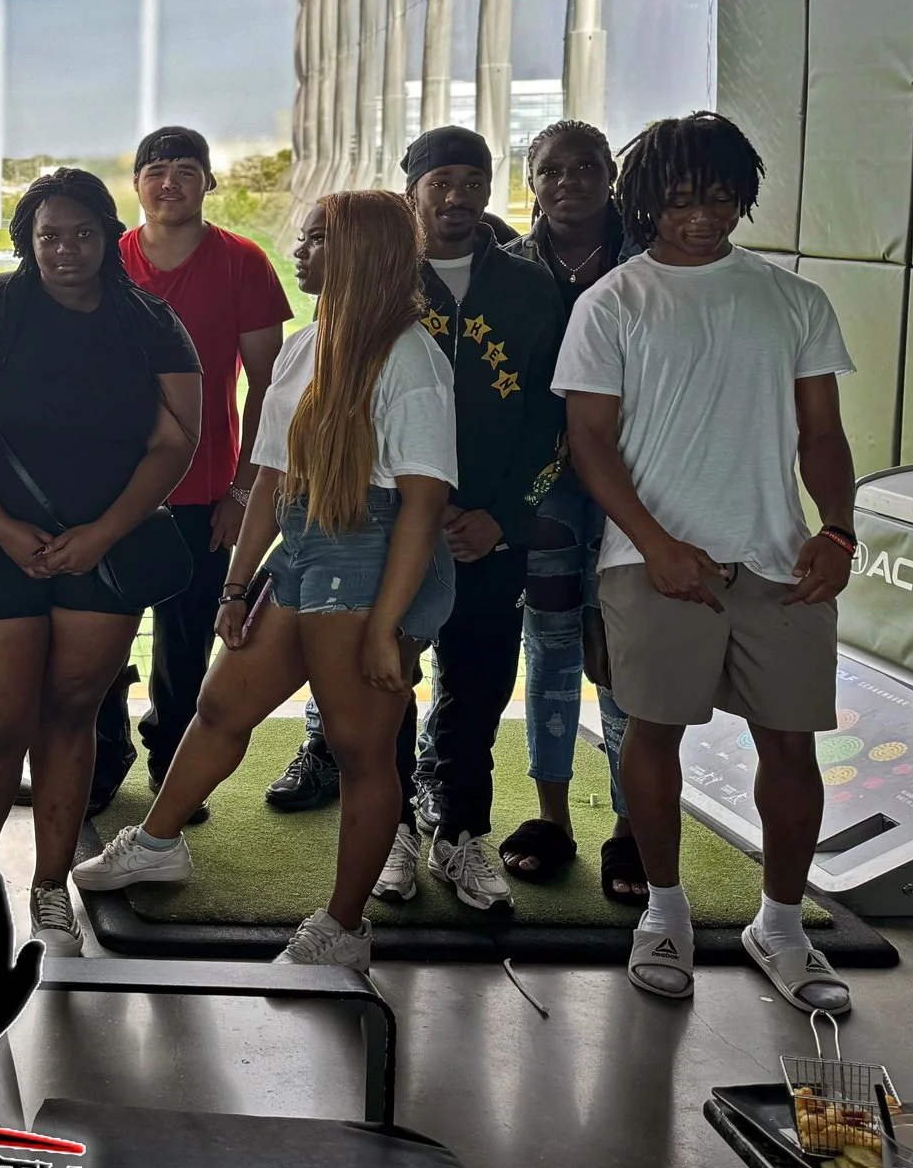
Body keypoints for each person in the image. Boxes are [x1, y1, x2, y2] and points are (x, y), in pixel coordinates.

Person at [74, 193, 456, 969]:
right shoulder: (306, 344)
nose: (299, 249)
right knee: (221, 705)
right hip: (305, 548)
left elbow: (422, 504)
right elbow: (273, 477)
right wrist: (236, 584)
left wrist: (387, 625)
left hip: (370, 555)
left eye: (316, 239)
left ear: (360, 253)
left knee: (359, 748)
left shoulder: (412, 357)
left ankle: (344, 926)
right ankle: (157, 844)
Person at [556, 113, 858, 1014]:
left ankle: (782, 923)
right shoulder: (611, 300)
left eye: (720, 197)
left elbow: (823, 432)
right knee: (651, 737)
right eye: (682, 199)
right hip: (649, 561)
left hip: (778, 560)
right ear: (646, 201)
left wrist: (837, 529)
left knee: (791, 744)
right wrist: (656, 544)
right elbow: (589, 443)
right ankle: (666, 911)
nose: (703, 216)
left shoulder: (791, 298)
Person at [264, 127, 564, 917]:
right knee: (385, 679)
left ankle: (459, 829)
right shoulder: (378, 286)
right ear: (412, 192)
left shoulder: (533, 292)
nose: (458, 196)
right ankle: (392, 827)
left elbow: (551, 420)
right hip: (381, 529)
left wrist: (501, 517)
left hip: (485, 534)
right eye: (442, 182)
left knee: (479, 677)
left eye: (474, 181)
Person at [0, 168, 200, 956]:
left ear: (107, 236)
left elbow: (174, 441)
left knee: (70, 713)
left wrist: (104, 532)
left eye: (82, 233)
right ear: (28, 239)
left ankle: (51, 888)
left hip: (104, 550)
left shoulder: (149, 322)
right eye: (49, 234)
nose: (65, 249)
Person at [91, 125, 291, 813]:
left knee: (185, 647)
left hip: (204, 492)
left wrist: (242, 489)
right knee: (99, 639)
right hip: (107, 492)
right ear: (137, 183)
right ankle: (102, 754)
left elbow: (268, 384)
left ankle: (171, 765)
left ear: (209, 181)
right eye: (155, 168)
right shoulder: (105, 262)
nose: (169, 180)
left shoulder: (243, 262)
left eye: (185, 168)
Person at [497, 121, 641, 898]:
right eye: (552, 169)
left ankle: (630, 823)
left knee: (622, 640)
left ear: (611, 177)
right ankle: (553, 815)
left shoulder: (650, 264)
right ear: (532, 180)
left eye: (587, 166)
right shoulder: (512, 271)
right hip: (543, 484)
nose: (570, 180)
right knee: (550, 634)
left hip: (634, 476)